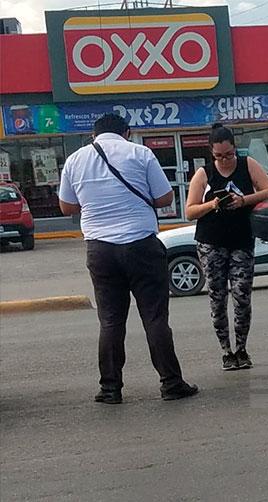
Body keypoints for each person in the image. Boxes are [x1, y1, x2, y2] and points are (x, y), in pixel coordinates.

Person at [58, 113, 198, 404]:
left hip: (100, 249)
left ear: (93, 136)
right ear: (127, 132)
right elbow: (165, 198)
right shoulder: (140, 153)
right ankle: (171, 383)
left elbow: (66, 206)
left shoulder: (75, 160)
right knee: (154, 318)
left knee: (110, 320)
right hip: (141, 245)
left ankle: (110, 389)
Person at [185, 124, 268, 371]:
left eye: (229, 154)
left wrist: (244, 200)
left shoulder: (247, 165)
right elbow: (190, 211)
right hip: (211, 242)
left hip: (241, 240)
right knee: (217, 298)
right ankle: (226, 351)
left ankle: (242, 349)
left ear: (235, 148)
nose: (225, 160)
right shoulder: (203, 173)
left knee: (242, 296)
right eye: (219, 156)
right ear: (211, 152)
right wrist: (212, 204)